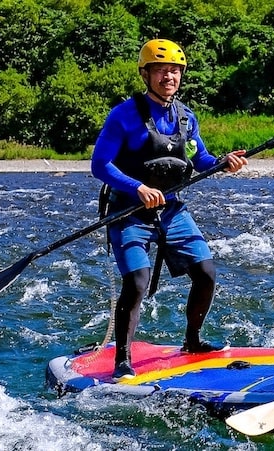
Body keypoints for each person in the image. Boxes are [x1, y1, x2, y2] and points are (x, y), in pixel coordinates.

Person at [91, 38, 247, 379]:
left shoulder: (186, 118)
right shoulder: (123, 116)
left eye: (175, 71)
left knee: (206, 273)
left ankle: (192, 340)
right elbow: (100, 165)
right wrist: (138, 187)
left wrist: (224, 163)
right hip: (130, 213)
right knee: (137, 281)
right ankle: (122, 359)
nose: (169, 77)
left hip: (172, 211)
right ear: (146, 74)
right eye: (161, 70)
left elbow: (200, 159)